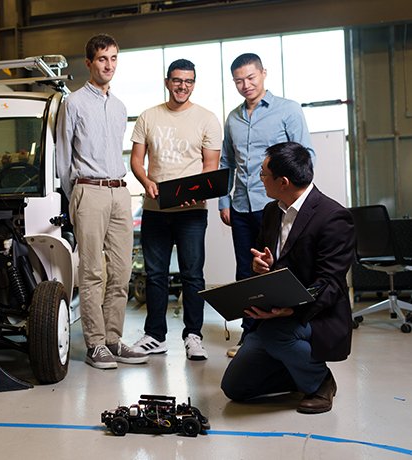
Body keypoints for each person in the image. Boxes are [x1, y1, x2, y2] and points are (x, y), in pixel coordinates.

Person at [220, 141, 355, 414]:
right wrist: (262, 265)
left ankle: (320, 382)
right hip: (277, 312)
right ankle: (297, 370)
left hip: (317, 313)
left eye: (263, 175)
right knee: (235, 388)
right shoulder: (272, 211)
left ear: (283, 181)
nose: (259, 180)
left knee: (276, 332)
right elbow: (266, 257)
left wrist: (291, 308)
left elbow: (329, 284)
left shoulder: (333, 217)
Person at [56, 33, 148, 369]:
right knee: (94, 271)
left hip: (120, 191)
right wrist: (76, 196)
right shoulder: (74, 103)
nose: (108, 65)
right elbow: (63, 158)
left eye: (113, 59)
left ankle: (113, 339)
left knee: (122, 272)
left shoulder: (121, 106)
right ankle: (95, 344)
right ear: (89, 63)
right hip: (88, 190)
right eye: (102, 59)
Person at [219, 53, 315, 357]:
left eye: (251, 77)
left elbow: (305, 157)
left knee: (278, 270)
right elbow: (227, 161)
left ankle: (284, 330)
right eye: (238, 80)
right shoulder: (233, 118)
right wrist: (224, 201)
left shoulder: (288, 110)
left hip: (275, 205)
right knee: (246, 272)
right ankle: (250, 335)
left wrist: (299, 202)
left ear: (263, 73)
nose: (245, 85)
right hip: (241, 206)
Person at [129, 59, 221, 360]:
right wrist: (146, 182)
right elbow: (137, 161)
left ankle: (193, 336)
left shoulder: (207, 119)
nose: (183, 86)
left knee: (192, 275)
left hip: (192, 212)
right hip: (155, 210)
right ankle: (155, 336)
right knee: (155, 275)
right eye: (178, 80)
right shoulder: (148, 117)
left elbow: (211, 168)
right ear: (167, 81)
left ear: (194, 83)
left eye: (189, 81)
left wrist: (195, 194)